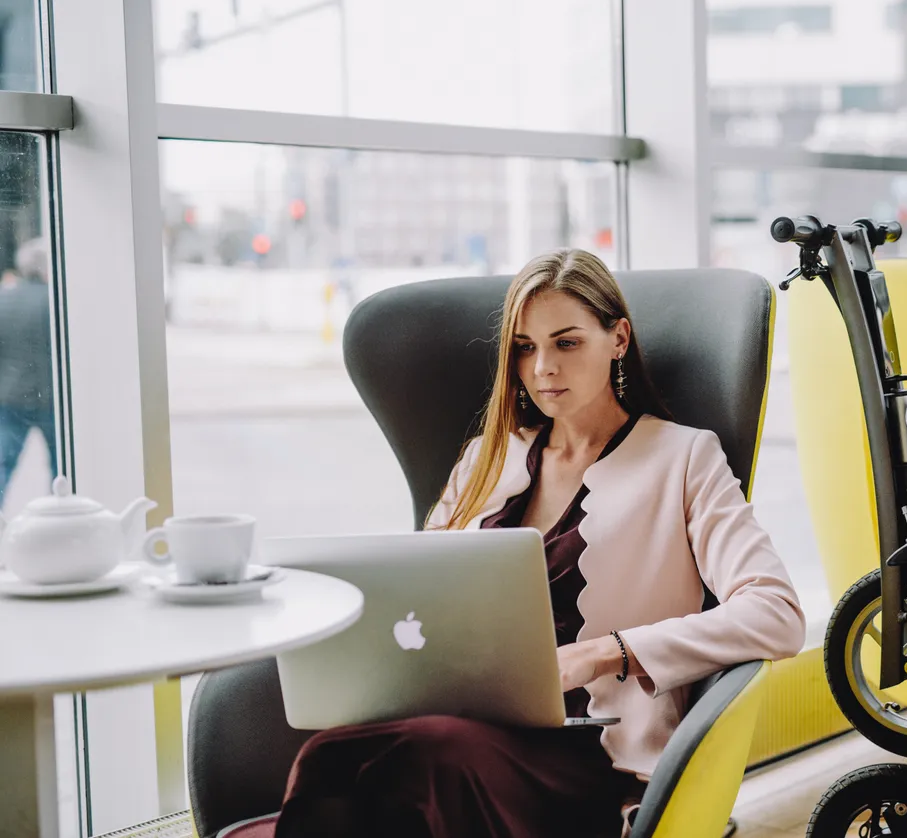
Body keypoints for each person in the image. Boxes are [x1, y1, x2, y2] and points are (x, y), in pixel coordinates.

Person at [273, 249, 806, 838]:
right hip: (463, 722)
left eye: (567, 342)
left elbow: (776, 614)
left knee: (429, 762)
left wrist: (607, 652)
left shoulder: (683, 457)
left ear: (618, 339)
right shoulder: (488, 457)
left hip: (592, 752)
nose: (543, 367)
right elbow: (416, 594)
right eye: (525, 347)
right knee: (332, 759)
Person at [0, 237, 56, 504]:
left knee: (3, 464)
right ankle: (63, 518)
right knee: (62, 470)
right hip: (51, 399)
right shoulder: (56, 302)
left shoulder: (4, 299)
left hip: (9, 396)